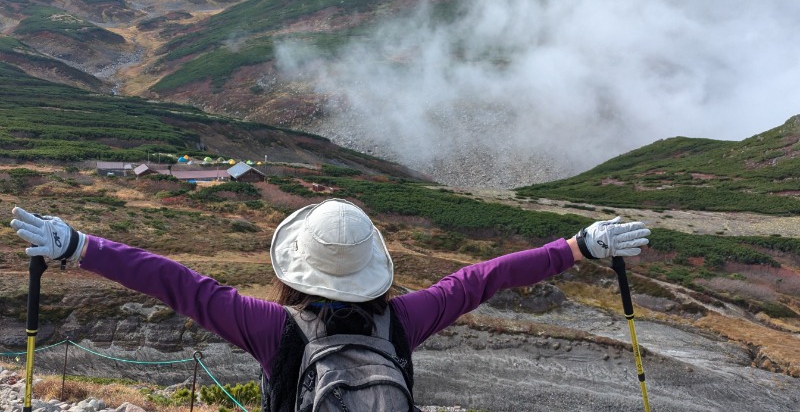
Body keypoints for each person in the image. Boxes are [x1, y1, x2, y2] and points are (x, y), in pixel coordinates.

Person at [10, 199, 650, 411]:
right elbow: (483, 278)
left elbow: (178, 285)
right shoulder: (404, 322)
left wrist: (80, 246)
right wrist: (576, 247)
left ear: (294, 268)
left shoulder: (270, 329)